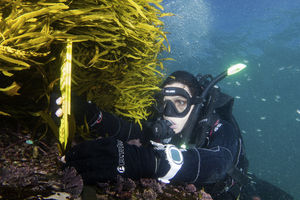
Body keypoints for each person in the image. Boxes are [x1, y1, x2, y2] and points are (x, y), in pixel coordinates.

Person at [55, 70, 293, 200]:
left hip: (237, 191)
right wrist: (89, 113)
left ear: (195, 105)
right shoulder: (164, 125)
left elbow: (219, 162)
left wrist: (147, 161)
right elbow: (130, 129)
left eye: (179, 102)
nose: (168, 113)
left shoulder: (221, 128)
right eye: (163, 103)